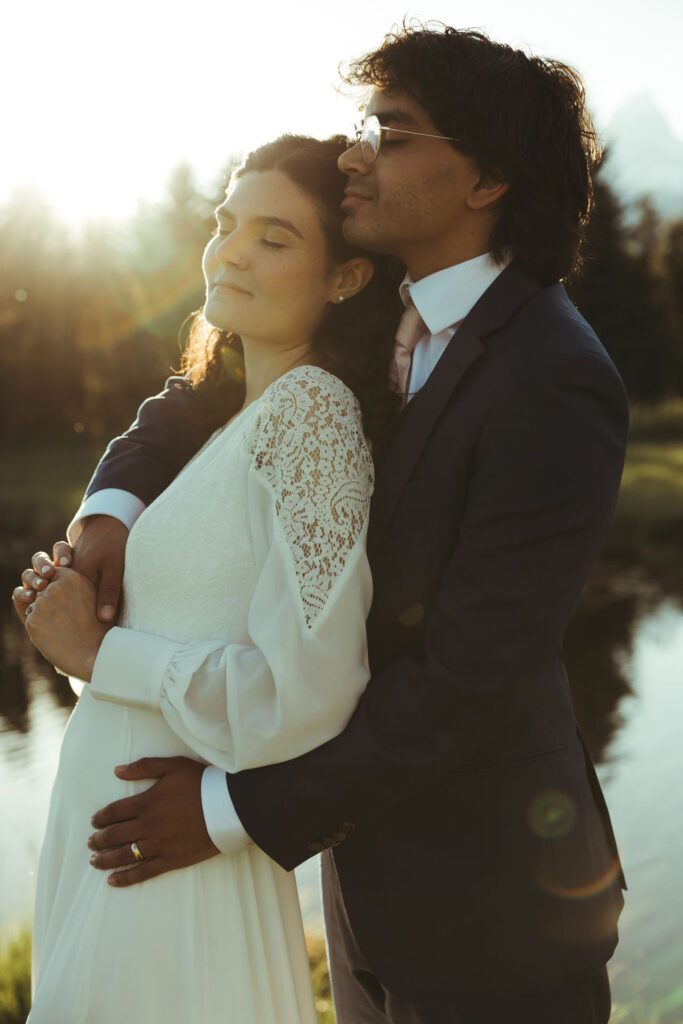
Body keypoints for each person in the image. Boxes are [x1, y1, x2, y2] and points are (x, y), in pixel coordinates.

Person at [17, 24, 629, 1024]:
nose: (355, 153)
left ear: (487, 178)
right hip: (361, 884)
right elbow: (192, 394)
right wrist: (110, 508)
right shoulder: (367, 307)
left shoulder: (549, 376)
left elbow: (466, 675)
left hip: (496, 900)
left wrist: (226, 808)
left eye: (390, 132)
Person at [15, 134, 405, 1023]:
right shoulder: (237, 417)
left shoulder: (311, 416)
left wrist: (100, 650)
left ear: (344, 279)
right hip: (116, 841)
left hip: (165, 862)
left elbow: (306, 695)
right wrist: (75, 619)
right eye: (226, 222)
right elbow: (188, 633)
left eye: (274, 237)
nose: (230, 249)